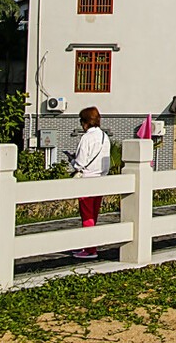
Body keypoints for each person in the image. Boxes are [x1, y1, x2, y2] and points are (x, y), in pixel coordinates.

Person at [69, 106, 110, 259]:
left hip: (87, 179)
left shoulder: (86, 138)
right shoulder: (105, 137)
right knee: (94, 214)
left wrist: (72, 161)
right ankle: (90, 245)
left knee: (86, 215)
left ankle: (90, 249)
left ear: (85, 122)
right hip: (101, 178)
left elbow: (79, 163)